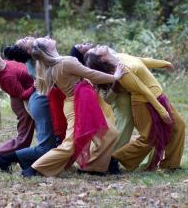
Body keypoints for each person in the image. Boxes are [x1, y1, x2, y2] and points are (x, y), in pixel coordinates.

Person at [21, 37, 125, 177]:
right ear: (46, 48)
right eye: (44, 40)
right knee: (70, 145)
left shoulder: (46, 65)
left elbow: (39, 85)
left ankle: (93, 167)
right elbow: (91, 74)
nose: (47, 37)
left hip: (77, 102)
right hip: (79, 104)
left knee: (109, 133)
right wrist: (115, 77)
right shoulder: (65, 62)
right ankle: (34, 169)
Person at [85, 45, 185, 171]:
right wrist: (161, 110)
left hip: (157, 96)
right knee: (149, 137)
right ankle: (115, 158)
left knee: (178, 126)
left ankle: (171, 165)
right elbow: (142, 89)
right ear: (101, 59)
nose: (97, 45)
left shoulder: (119, 56)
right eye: (95, 50)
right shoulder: (122, 71)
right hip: (144, 102)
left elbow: (139, 60)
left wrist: (164, 64)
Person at [4, 40, 67, 144]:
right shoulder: (39, 63)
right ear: (29, 50)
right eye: (24, 41)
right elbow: (22, 94)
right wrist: (33, 86)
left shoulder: (34, 59)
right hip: (42, 99)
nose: (27, 38)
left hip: (41, 99)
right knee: (54, 129)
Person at [0, 52, 35, 168]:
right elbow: (23, 95)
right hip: (22, 106)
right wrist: (36, 84)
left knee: (25, 139)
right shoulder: (6, 77)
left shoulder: (5, 64)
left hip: (24, 101)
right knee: (23, 140)